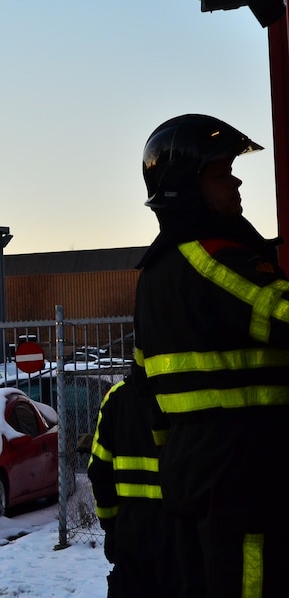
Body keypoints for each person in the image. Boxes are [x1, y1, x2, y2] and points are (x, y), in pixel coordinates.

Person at [134, 113, 289, 597]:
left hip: (198, 475)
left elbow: (145, 394)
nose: (236, 182)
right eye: (221, 174)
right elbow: (282, 314)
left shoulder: (155, 275)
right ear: (186, 187)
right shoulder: (212, 259)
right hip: (243, 472)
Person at [86, 369, 181, 597]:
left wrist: (110, 526)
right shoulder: (183, 394)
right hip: (179, 531)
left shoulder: (116, 398)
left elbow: (99, 470)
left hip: (131, 532)